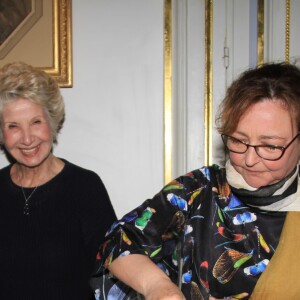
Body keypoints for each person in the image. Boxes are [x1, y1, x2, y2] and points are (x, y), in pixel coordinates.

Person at [92, 62, 300, 299]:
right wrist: (158, 287)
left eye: (270, 146)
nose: (250, 159)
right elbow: (119, 242)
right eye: (238, 141)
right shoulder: (199, 190)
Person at [0, 61, 117, 300]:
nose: (27, 138)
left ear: (52, 122)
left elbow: (112, 269)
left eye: (36, 122)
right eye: (13, 126)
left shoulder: (85, 186)